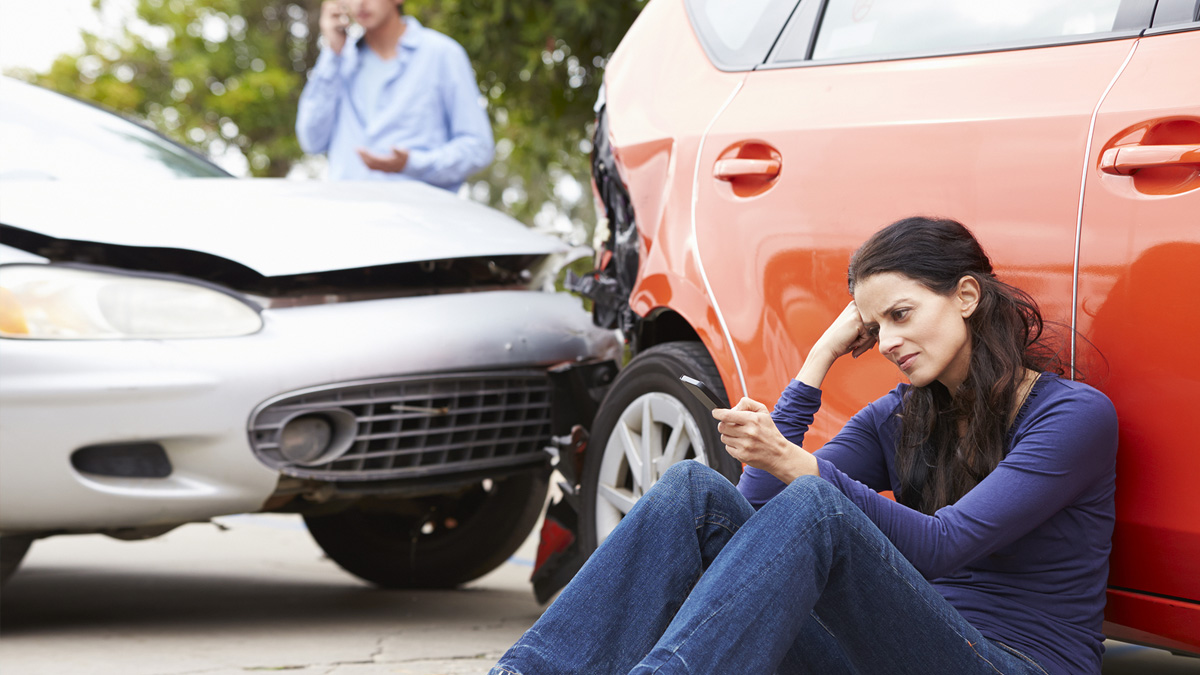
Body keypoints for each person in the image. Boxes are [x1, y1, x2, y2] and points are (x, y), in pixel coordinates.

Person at [490, 217, 1118, 674]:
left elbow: (942, 546)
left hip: (1012, 663)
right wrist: (817, 360)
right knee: (695, 493)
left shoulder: (1071, 417)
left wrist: (798, 464)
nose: (890, 341)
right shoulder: (903, 415)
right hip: (892, 651)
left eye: (901, 315)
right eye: (873, 329)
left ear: (966, 296)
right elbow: (757, 507)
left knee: (817, 504)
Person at [295, 0, 494, 191]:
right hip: (351, 217)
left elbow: (478, 148)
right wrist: (333, 54)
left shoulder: (442, 55)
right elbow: (311, 141)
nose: (361, 2)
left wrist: (413, 163)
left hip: (421, 218)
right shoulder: (339, 62)